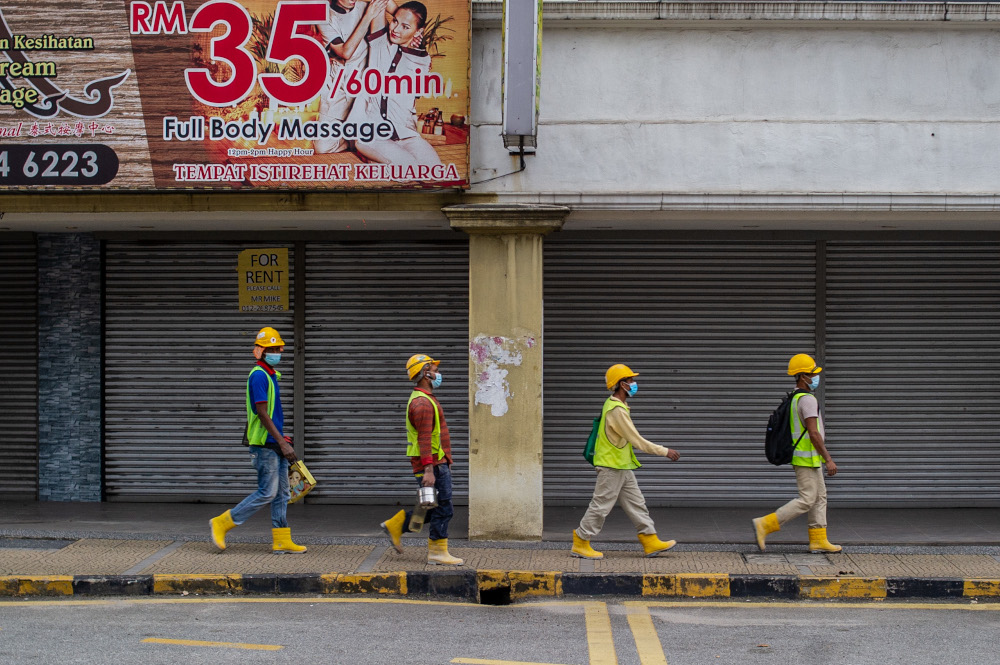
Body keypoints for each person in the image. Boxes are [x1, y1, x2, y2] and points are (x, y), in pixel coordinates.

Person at [209, 327, 307, 554]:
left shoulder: (271, 376)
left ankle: (281, 539)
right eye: (271, 349)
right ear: (261, 351)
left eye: (278, 348)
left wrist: (282, 438)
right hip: (264, 445)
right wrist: (281, 443)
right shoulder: (259, 376)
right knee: (267, 492)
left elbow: (271, 414)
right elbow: (262, 413)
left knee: (282, 494)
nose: (277, 352)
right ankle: (222, 522)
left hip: (274, 441)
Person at [571, 364, 681, 560]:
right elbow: (637, 440)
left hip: (621, 466)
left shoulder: (615, 405)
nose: (634, 383)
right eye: (631, 381)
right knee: (601, 506)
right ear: (622, 384)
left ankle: (650, 540)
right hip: (611, 467)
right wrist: (665, 451)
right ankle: (581, 541)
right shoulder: (616, 410)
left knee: (637, 503)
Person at [752, 353, 841, 553]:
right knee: (808, 499)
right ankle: (765, 524)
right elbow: (813, 433)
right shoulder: (807, 400)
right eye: (812, 373)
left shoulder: (794, 398)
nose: (816, 377)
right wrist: (829, 459)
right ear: (803, 376)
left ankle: (818, 539)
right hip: (806, 459)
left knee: (820, 497)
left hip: (808, 458)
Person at [380, 353, 463, 565]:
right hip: (432, 464)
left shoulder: (425, 399)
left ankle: (396, 525)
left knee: (431, 506)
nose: (438, 374)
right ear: (425, 374)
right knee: (444, 508)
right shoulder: (422, 403)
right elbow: (424, 438)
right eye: (434, 371)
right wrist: (429, 469)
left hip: (437, 461)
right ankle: (437, 551)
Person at [348, 1, 444, 168]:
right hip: (374, 132)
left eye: (405, 27)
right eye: (394, 21)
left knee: (435, 170)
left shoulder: (422, 60)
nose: (396, 29)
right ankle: (369, 153)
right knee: (407, 171)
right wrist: (400, 13)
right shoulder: (379, 42)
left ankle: (380, 158)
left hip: (406, 133)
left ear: (418, 31)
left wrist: (408, 25)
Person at [314, 0, 388, 153]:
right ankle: (348, 143)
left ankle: (354, 144)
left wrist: (415, 36)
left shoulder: (367, 5)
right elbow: (345, 52)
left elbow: (405, 14)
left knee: (366, 144)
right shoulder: (323, 15)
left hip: (365, 83)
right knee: (322, 148)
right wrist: (367, 17)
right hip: (338, 85)